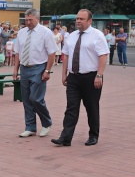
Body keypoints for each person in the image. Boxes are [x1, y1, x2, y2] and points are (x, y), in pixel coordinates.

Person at [51, 9, 109, 147]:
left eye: (81, 19)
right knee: (71, 108)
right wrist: (64, 74)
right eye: (77, 18)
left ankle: (93, 135)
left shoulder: (97, 35)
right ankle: (65, 138)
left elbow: (103, 56)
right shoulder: (72, 36)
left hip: (91, 77)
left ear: (89, 21)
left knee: (92, 107)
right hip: (74, 78)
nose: (78, 21)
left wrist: (99, 75)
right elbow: (65, 56)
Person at [13, 8, 56, 138]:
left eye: (30, 20)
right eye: (26, 20)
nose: (28, 22)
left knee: (35, 98)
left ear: (37, 18)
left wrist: (47, 70)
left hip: (39, 67)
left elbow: (52, 52)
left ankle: (46, 123)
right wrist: (16, 69)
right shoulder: (21, 32)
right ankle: (30, 127)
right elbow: (18, 52)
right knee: (26, 99)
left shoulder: (45, 32)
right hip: (25, 67)